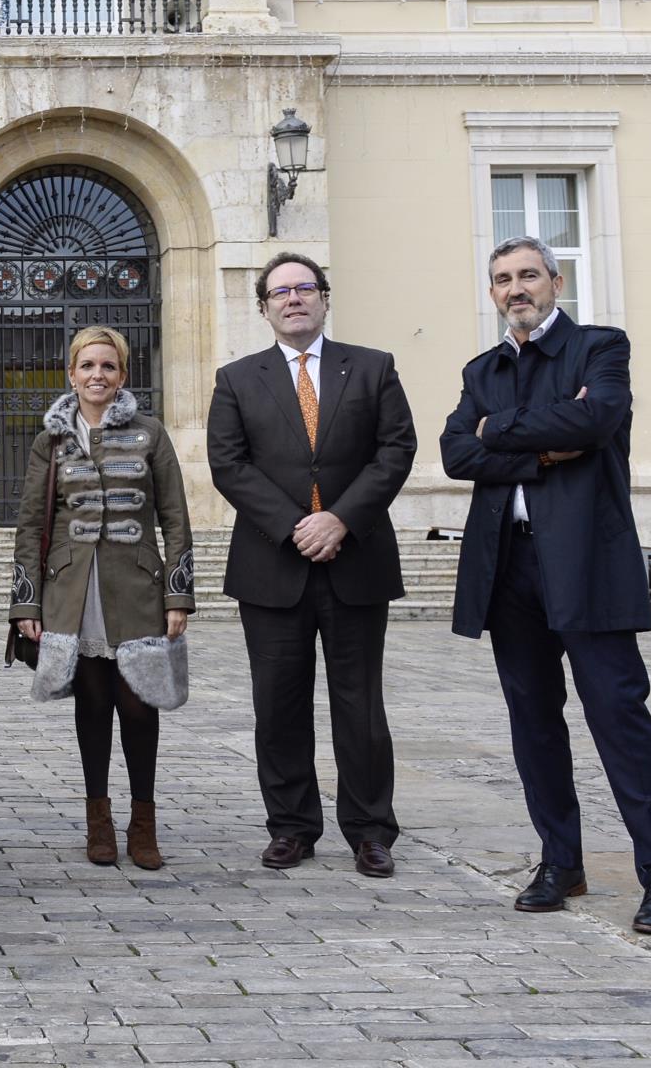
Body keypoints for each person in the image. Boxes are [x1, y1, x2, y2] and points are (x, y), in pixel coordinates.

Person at [439, 234, 651, 935]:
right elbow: (456, 453)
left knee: (618, 718)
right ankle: (560, 862)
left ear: (554, 280)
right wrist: (542, 450)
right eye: (500, 280)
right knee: (533, 722)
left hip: (586, 561)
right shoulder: (480, 368)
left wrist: (499, 433)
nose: (514, 288)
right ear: (491, 293)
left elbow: (596, 417)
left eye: (526, 275)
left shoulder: (600, 348)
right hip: (508, 566)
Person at [206, 252, 416, 877]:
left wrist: (341, 520)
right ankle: (292, 827)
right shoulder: (237, 378)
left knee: (361, 706)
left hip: (356, 561)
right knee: (278, 705)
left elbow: (394, 449)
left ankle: (371, 830)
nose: (293, 299)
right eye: (279, 292)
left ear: (325, 298)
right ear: (264, 307)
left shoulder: (374, 368)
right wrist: (298, 525)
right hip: (274, 565)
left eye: (304, 288)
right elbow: (229, 463)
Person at [10, 326, 194, 868]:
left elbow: (176, 518)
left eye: (108, 367)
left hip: (137, 588)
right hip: (71, 592)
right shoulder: (53, 440)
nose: (97, 375)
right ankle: (98, 821)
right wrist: (27, 605)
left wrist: (178, 595)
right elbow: (30, 526)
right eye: (87, 366)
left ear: (123, 376)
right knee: (92, 706)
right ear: (71, 374)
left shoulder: (150, 433)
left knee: (138, 706)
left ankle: (143, 821)